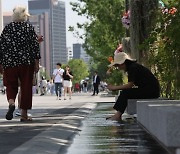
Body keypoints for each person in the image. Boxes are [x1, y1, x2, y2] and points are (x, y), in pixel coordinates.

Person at [0, 6, 41, 122]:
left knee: (11, 86)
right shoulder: (28, 28)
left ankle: (12, 102)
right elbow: (34, 47)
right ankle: (24, 114)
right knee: (26, 87)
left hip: (10, 62)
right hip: (26, 62)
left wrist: (1, 63)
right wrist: (36, 62)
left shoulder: (8, 28)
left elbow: (1, 46)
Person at [106, 45, 160, 121]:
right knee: (125, 92)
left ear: (123, 63)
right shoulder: (132, 67)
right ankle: (117, 114)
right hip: (150, 90)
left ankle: (118, 115)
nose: (118, 68)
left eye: (117, 65)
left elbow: (129, 85)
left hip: (151, 91)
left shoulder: (132, 68)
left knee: (125, 93)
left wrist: (115, 87)